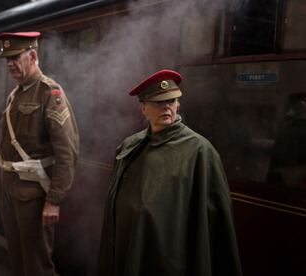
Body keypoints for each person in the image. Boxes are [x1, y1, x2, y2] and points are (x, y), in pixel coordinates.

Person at [98, 70, 242, 276]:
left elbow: (216, 222)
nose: (166, 106)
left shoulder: (199, 151)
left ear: (178, 104)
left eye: (171, 101)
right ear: (143, 108)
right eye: (158, 102)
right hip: (130, 249)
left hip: (173, 256)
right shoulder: (129, 147)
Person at [0, 31, 79, 276]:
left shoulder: (49, 93)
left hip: (33, 195)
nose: (10, 63)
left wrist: (54, 200)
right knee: (18, 260)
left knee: (37, 265)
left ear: (32, 55)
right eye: (7, 58)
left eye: (15, 57)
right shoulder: (17, 93)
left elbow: (67, 152)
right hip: (10, 190)